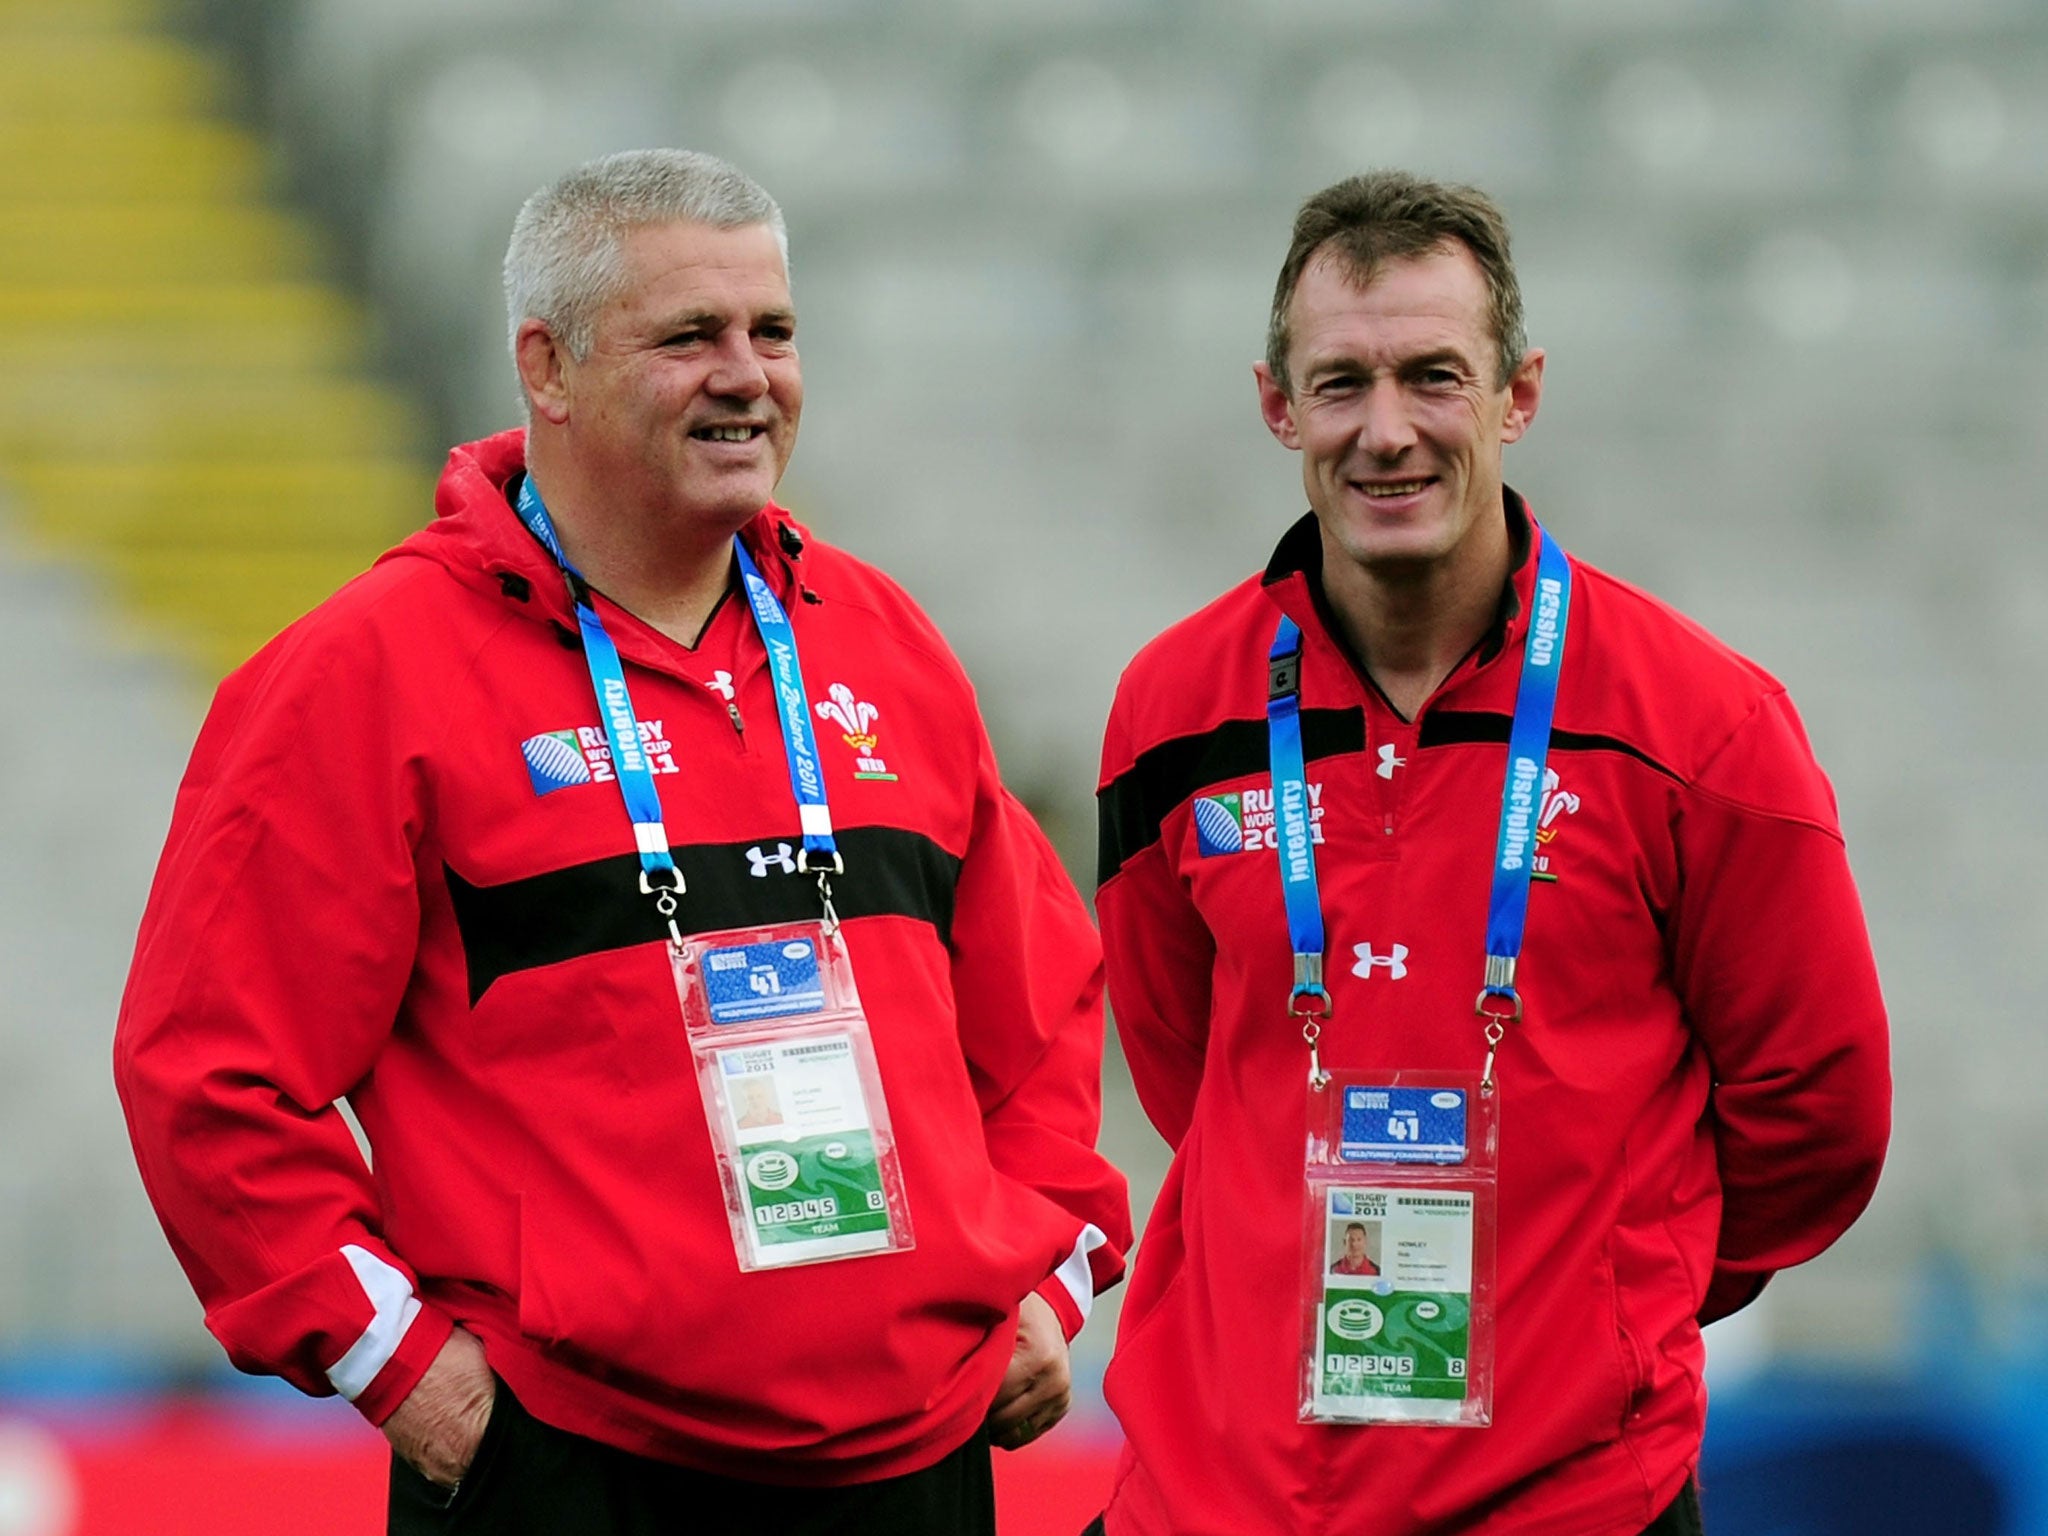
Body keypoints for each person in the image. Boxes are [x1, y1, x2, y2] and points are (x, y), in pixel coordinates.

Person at [114, 148, 1130, 1536]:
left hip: (912, 1469)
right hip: (570, 1470)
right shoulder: (361, 675)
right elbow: (211, 1074)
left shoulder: (883, 642)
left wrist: (1039, 1272)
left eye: (772, 331)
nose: (747, 374)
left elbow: (1041, 1013)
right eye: (688, 337)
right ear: (548, 366)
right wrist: (414, 1382)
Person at [1091, 172, 1889, 1535]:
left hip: (1569, 1498)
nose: (1385, 431)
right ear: (1278, 406)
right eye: (1340, 383)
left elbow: (1819, 1111)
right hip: (1218, 1493)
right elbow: (1191, 1063)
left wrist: (1605, 1285)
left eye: (1434, 377)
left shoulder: (1700, 725)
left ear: (1518, 395)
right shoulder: (1173, 712)